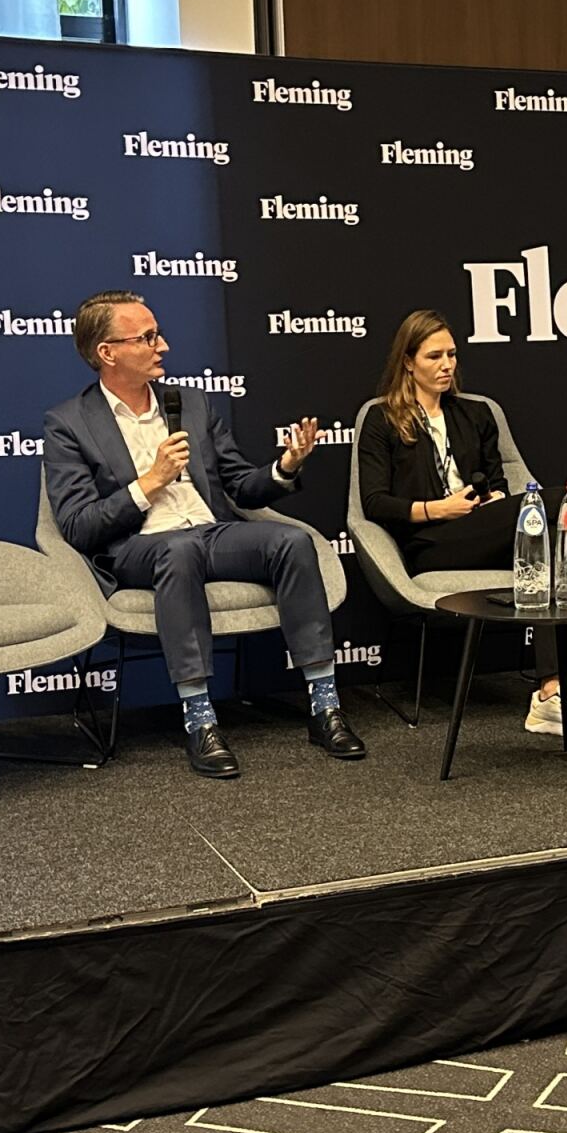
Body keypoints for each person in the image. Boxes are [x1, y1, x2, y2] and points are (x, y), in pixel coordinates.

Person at [43, 290, 365, 777]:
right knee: (179, 551)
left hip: (211, 533)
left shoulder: (189, 403)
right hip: (139, 547)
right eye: (147, 337)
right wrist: (148, 484)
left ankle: (325, 705)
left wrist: (283, 467)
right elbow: (76, 526)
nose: (163, 346)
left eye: (158, 334)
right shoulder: (69, 423)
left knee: (292, 543)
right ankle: (200, 718)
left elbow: (239, 485)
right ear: (107, 352)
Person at [358, 310, 567, 733]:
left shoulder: (475, 414)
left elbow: (497, 482)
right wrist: (439, 509)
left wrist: (495, 500)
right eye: (434, 356)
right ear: (408, 362)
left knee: (550, 546)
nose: (447, 365)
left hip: (481, 530)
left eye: (452, 354)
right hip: (429, 542)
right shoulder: (382, 420)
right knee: (559, 503)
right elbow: (374, 503)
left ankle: (551, 695)